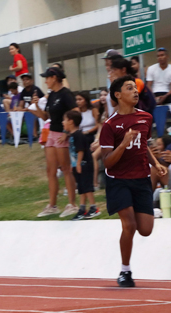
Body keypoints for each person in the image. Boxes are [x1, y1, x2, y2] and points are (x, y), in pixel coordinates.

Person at [100, 75, 167, 287]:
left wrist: (155, 163)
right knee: (128, 224)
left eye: (136, 88)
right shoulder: (110, 126)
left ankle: (125, 267)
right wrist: (123, 144)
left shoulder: (146, 118)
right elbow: (107, 162)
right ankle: (125, 271)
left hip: (141, 178)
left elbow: (143, 144)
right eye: (129, 88)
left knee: (145, 229)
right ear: (118, 95)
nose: (135, 91)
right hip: (118, 180)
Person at [31, 67, 78, 218]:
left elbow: (76, 113)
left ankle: (72, 204)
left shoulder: (66, 94)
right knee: (50, 170)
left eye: (47, 78)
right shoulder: (51, 95)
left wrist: (67, 132)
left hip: (61, 134)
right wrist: (36, 106)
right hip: (51, 133)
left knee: (66, 169)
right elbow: (45, 117)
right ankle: (52, 205)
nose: (45, 81)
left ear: (55, 78)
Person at [62, 111, 99, 220]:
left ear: (71, 122)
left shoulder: (78, 135)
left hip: (84, 164)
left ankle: (94, 208)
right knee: (82, 188)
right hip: (77, 165)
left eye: (64, 120)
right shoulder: (72, 135)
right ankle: (82, 209)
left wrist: (78, 163)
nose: (62, 122)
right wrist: (72, 164)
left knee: (87, 187)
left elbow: (80, 151)